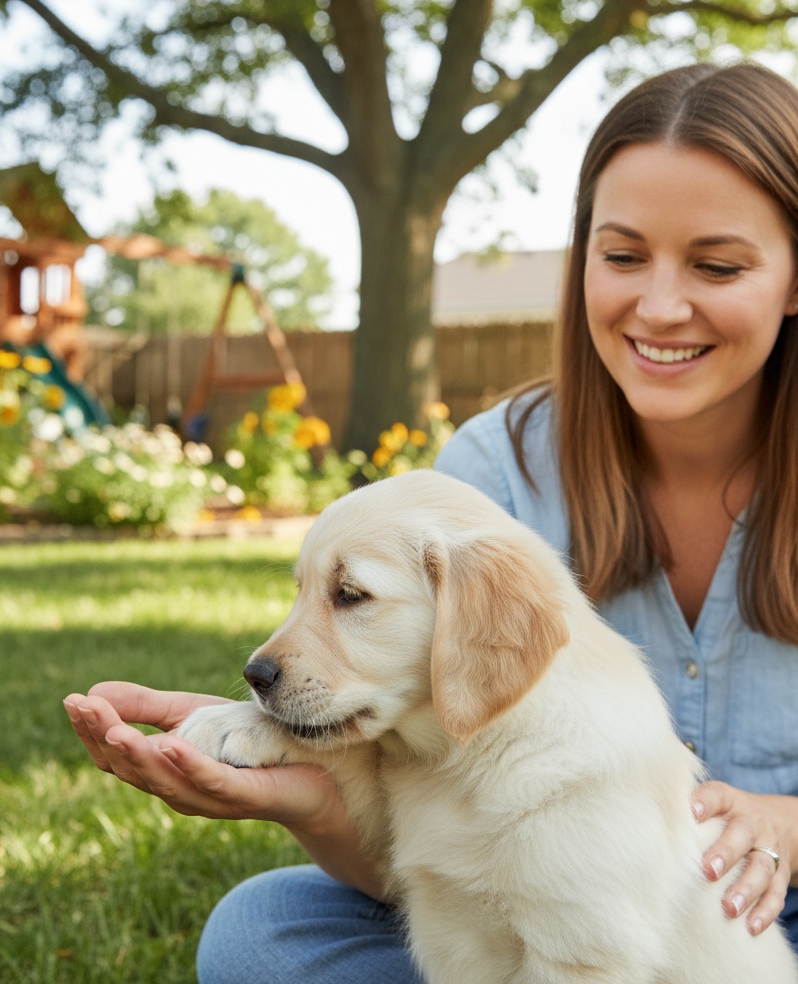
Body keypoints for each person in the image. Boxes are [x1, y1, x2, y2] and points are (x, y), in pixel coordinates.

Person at [64, 61, 798, 982]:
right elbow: (434, 866)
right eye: (621, 256)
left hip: (745, 923)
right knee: (263, 935)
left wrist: (791, 825)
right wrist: (304, 786)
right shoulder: (493, 476)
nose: (657, 305)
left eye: (718, 265)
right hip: (536, 901)